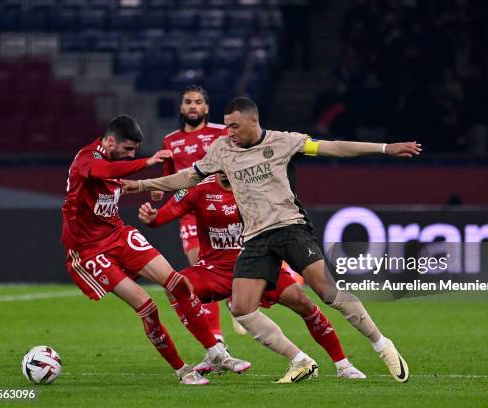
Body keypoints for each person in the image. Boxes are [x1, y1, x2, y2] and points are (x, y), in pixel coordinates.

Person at [122, 97, 422, 383]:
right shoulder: (222, 149)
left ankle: (382, 344)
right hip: (255, 238)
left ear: (254, 120)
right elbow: (187, 177)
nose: (230, 132)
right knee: (241, 308)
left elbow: (334, 147)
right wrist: (140, 185)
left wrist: (384, 148)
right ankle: (301, 360)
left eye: (235, 126)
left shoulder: (284, 141)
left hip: (290, 228)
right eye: (226, 126)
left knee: (327, 292)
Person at [61, 115, 250, 385]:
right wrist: (146, 163)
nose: (131, 155)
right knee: (147, 307)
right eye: (128, 150)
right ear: (110, 141)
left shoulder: (114, 164)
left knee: (178, 284)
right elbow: (102, 172)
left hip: (117, 234)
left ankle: (216, 353)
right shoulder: (87, 158)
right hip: (89, 250)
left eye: (135, 151)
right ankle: (183, 371)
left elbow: (111, 186)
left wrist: (149, 188)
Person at [138, 173, 366, 382]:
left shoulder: (257, 188)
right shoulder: (199, 190)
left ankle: (343, 365)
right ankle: (216, 351)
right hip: (214, 269)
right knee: (177, 286)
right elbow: (163, 216)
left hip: (257, 264)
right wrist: (152, 217)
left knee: (303, 303)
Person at [152, 85, 245, 340]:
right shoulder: (170, 140)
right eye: (188, 102)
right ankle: (216, 335)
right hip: (191, 211)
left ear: (206, 107)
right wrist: (160, 190)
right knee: (201, 268)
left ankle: (237, 302)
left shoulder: (221, 133)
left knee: (232, 265)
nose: (193, 106)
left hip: (221, 207)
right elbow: (170, 175)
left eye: (198, 102)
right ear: (181, 108)